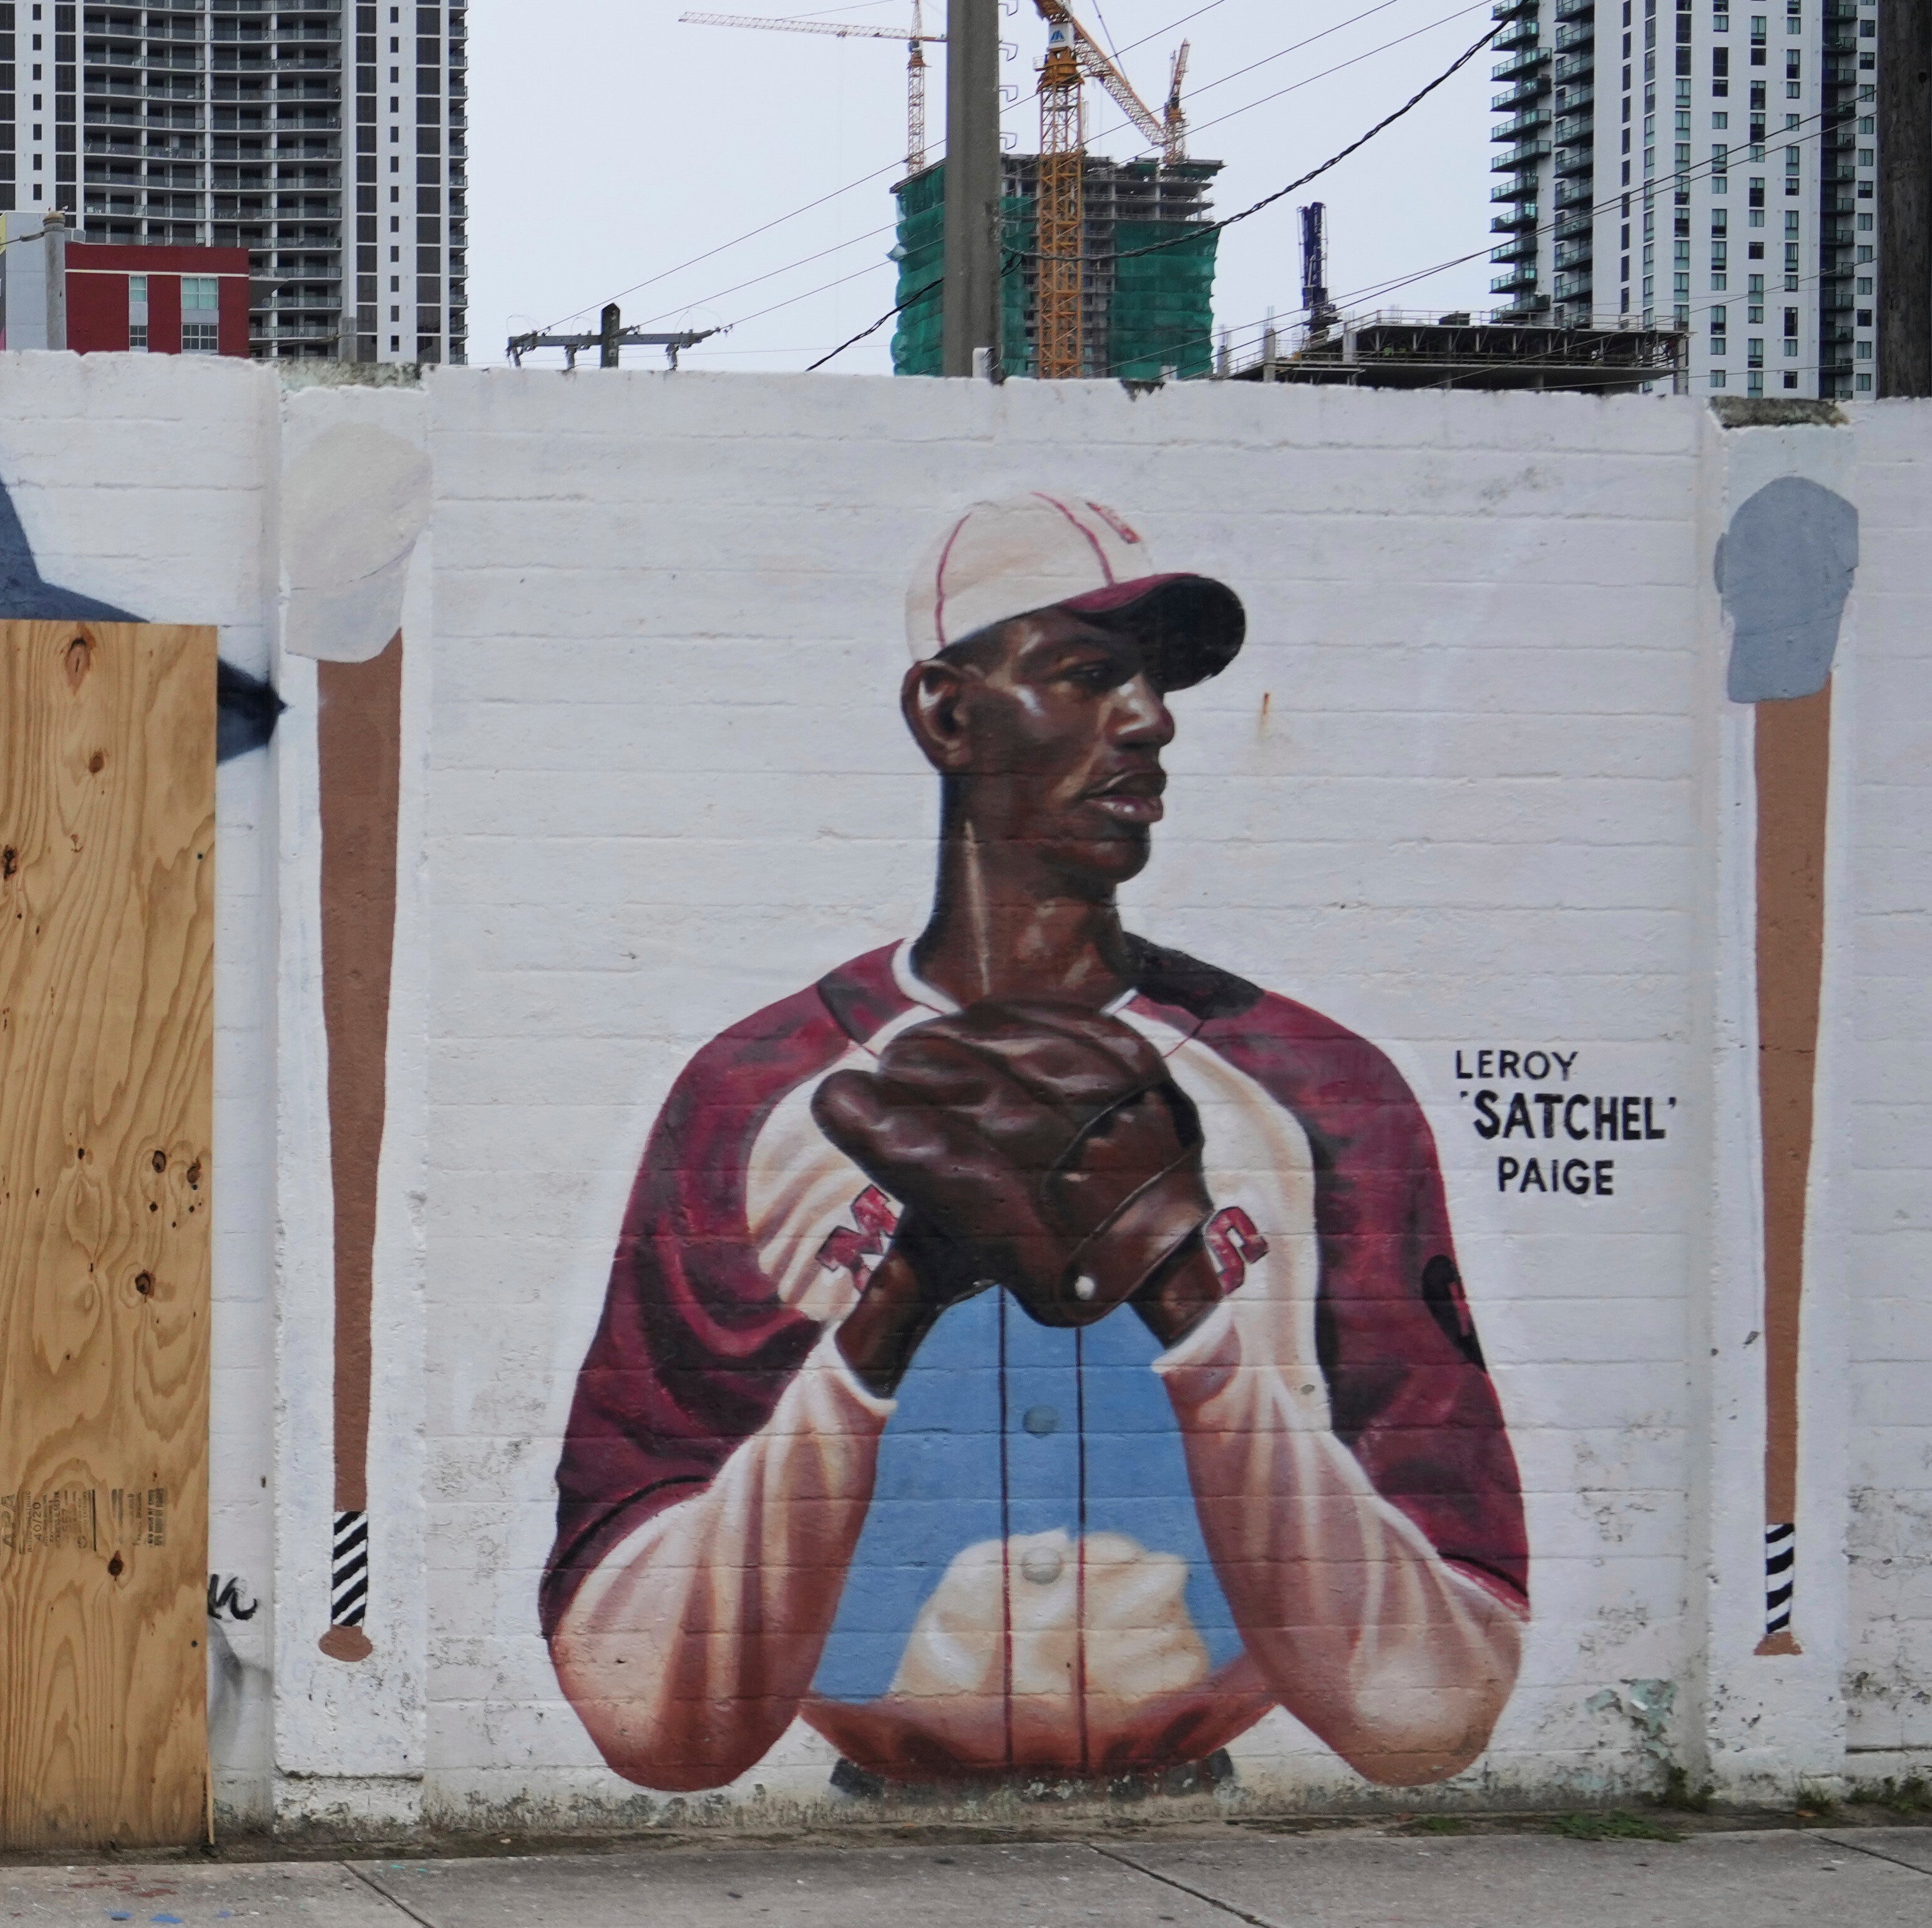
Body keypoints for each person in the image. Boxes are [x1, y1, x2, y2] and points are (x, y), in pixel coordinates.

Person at [541, 493, 1524, 1793]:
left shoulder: (1322, 1093)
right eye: (1084, 672)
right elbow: (655, 1723)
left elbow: (1433, 1712)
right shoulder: (751, 1095)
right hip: (862, 1840)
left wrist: (1182, 1297)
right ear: (946, 714)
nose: (1150, 718)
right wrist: (898, 1301)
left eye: (1157, 683)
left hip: (1204, 1820)